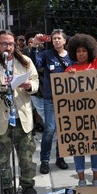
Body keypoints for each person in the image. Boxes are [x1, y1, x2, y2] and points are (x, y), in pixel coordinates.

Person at [0, 30, 39, 194]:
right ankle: (7, 187)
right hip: (1, 117)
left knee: (26, 155)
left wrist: (28, 86)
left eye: (11, 43)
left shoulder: (25, 61)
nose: (8, 47)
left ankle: (27, 184)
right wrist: (1, 90)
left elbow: (36, 82)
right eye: (4, 43)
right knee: (3, 157)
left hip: (22, 117)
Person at [65, 13, 97, 187]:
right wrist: (69, 76)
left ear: (89, 51)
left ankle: (96, 178)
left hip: (95, 113)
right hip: (77, 115)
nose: (81, 53)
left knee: (96, 147)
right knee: (78, 147)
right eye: (78, 51)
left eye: (84, 50)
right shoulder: (70, 68)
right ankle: (81, 179)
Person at [30, 29, 74, 174]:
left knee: (63, 130)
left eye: (59, 38)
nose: (56, 41)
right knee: (49, 129)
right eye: (54, 38)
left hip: (66, 100)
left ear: (64, 41)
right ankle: (45, 160)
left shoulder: (71, 57)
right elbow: (35, 64)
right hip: (50, 99)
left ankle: (60, 157)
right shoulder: (46, 55)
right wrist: (34, 47)